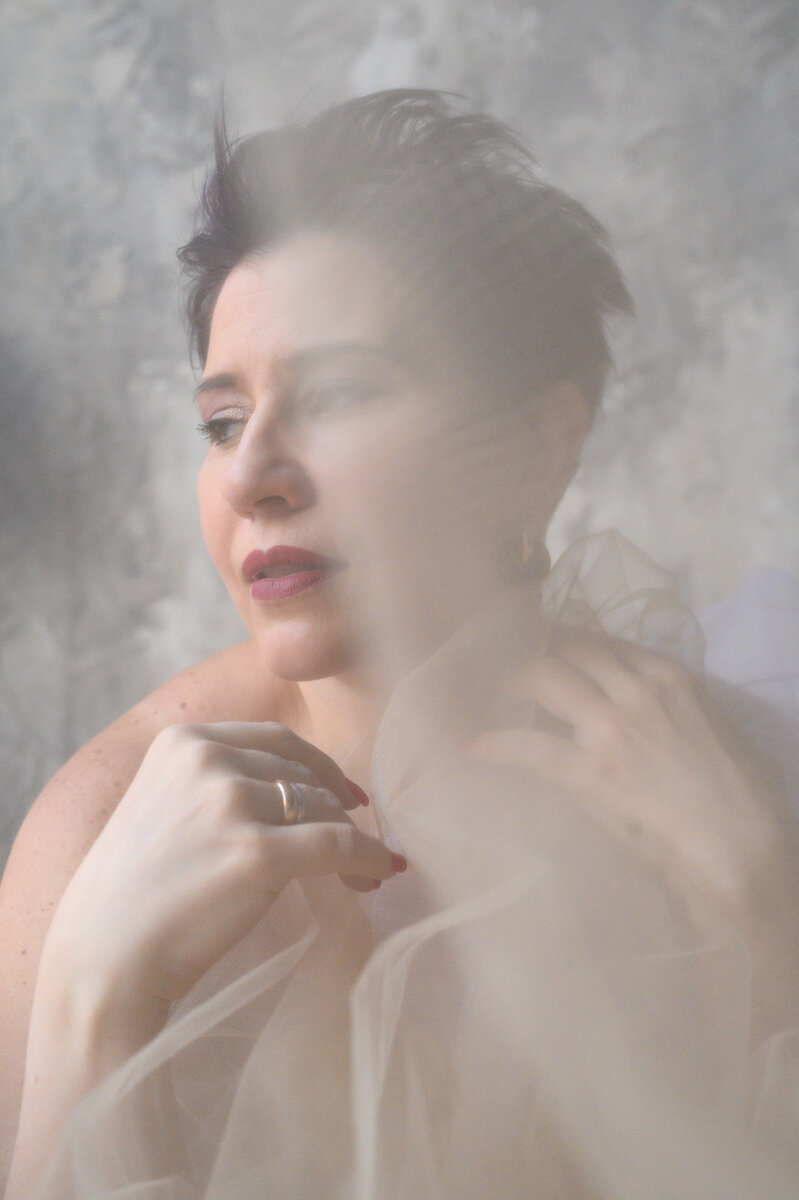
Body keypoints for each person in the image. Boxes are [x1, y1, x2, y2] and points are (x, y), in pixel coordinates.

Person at [2, 89, 799, 1199]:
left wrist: (765, 908)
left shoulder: (729, 763)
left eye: (334, 394)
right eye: (222, 423)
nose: (250, 476)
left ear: (538, 443)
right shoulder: (101, 831)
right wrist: (94, 994)